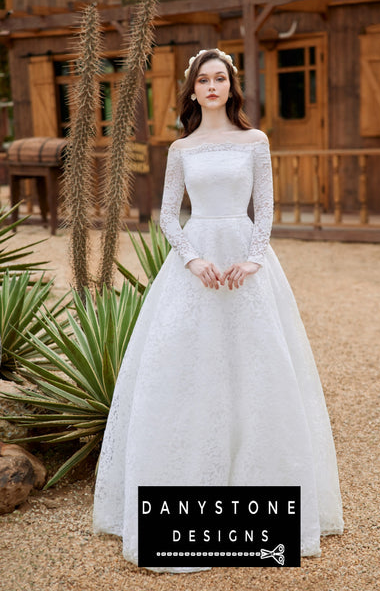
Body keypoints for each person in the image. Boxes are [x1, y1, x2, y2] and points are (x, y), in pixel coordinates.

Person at [92, 48, 344, 573]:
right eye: (203, 80)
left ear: (231, 87)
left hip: (248, 265)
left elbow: (266, 208)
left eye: (220, 78)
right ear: (192, 90)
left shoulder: (256, 141)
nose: (212, 86)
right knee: (188, 372)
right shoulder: (182, 149)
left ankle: (258, 506)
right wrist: (193, 260)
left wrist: (253, 260)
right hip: (198, 263)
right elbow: (166, 217)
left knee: (258, 372)